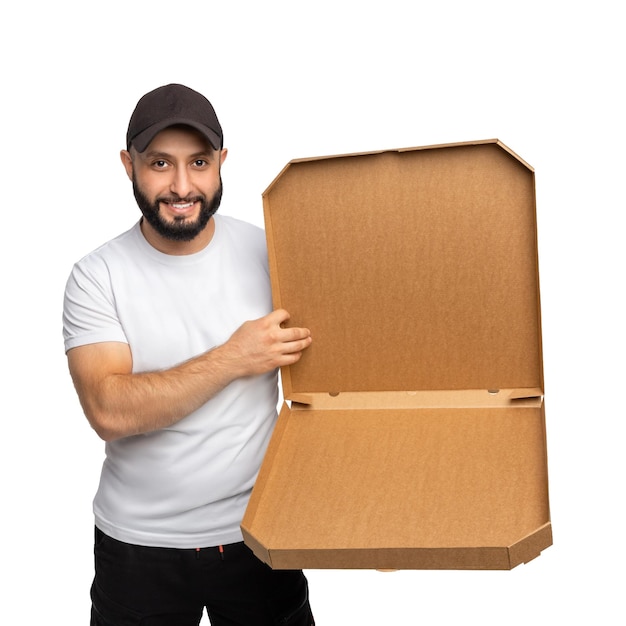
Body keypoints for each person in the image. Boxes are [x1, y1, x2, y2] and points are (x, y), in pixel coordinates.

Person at [63, 83, 315, 626]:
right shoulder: (95, 277)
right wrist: (233, 357)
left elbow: (332, 389)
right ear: (128, 165)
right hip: (137, 547)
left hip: (261, 535)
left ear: (222, 162)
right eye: (160, 163)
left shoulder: (274, 253)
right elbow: (109, 410)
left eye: (199, 163)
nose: (182, 186)